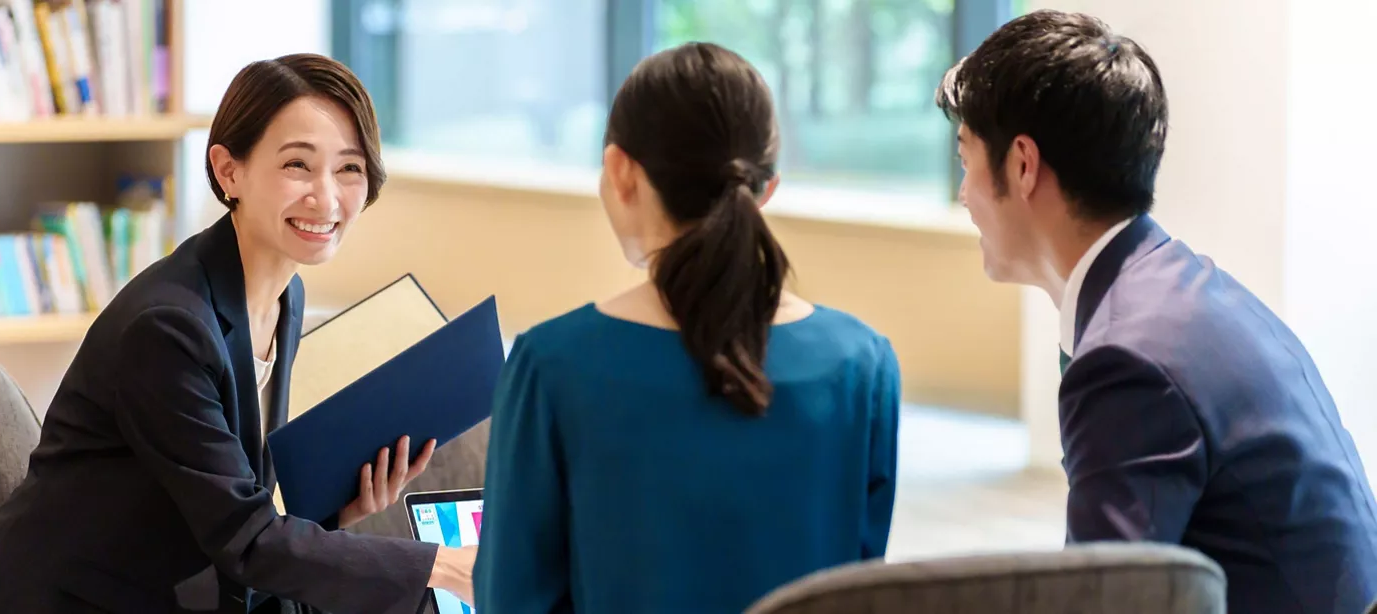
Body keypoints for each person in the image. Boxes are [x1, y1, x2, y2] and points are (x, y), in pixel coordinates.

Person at [0, 53, 475, 614]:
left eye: (349, 168)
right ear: (229, 171)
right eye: (298, 165)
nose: (327, 198)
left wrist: (337, 516)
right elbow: (246, 540)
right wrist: (446, 566)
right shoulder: (168, 328)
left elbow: (235, 509)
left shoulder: (281, 295)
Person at [937, 10, 1377, 613]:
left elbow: (1105, 603)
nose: (963, 193)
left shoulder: (1128, 356)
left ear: (1021, 164)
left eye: (966, 159)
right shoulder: (1176, 288)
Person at [473, 41, 901, 613]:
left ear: (620, 171)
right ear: (766, 188)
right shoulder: (863, 366)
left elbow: (512, 599)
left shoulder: (551, 367)